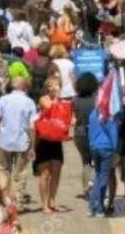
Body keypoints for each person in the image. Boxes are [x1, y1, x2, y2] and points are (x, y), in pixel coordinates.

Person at [0, 77, 37, 205]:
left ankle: (3, 198)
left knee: (2, 170)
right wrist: (33, 146)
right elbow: (32, 127)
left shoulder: (3, 100)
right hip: (22, 141)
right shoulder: (29, 102)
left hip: (3, 140)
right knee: (20, 173)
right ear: (26, 88)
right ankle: (17, 202)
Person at [34, 77, 69, 213]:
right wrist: (57, 97)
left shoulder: (62, 101)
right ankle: (44, 204)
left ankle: (52, 200)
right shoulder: (44, 99)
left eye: (57, 85)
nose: (54, 88)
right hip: (43, 139)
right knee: (45, 174)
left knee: (57, 171)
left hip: (56, 140)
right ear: (46, 88)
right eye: (51, 85)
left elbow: (66, 116)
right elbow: (50, 107)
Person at [87, 104, 120, 218]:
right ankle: (100, 208)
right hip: (106, 148)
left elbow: (90, 131)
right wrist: (115, 149)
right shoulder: (109, 115)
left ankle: (92, 206)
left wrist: (91, 145)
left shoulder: (93, 114)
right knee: (104, 178)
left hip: (95, 147)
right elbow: (113, 132)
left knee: (97, 175)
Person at [72, 73, 99, 198]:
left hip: (79, 133)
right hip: (95, 133)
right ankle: (94, 185)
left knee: (85, 162)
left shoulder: (75, 100)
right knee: (97, 161)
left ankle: (86, 188)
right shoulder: (96, 100)